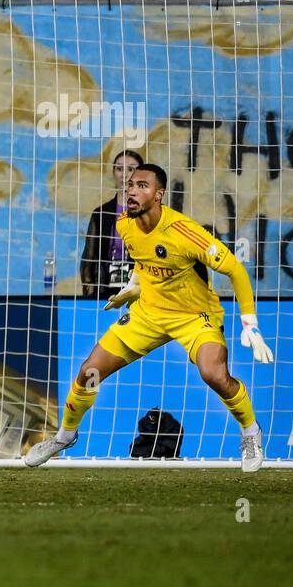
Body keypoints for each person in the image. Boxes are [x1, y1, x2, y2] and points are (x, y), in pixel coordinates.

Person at [25, 164, 272, 472]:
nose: (132, 190)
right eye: (130, 184)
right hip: (148, 314)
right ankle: (63, 437)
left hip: (195, 317)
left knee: (215, 375)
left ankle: (251, 432)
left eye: (142, 185)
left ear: (159, 194)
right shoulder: (124, 225)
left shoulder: (184, 232)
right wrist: (134, 286)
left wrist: (249, 322)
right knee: (89, 372)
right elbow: (144, 261)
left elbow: (234, 268)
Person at [80, 149, 142, 300]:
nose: (124, 174)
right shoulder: (101, 214)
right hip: (105, 292)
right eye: (119, 169)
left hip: (141, 294)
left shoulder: (151, 213)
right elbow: (89, 258)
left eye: (131, 169)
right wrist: (91, 295)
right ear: (114, 173)